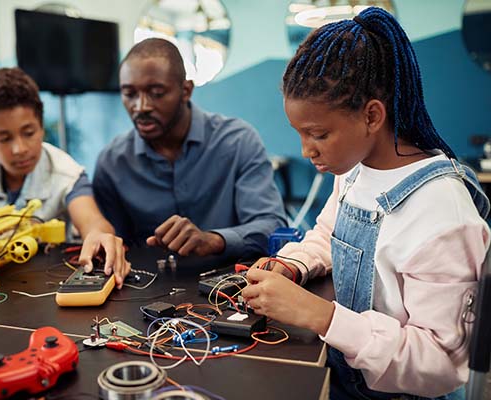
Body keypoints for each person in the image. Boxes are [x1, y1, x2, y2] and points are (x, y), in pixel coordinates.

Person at [241, 7, 490, 400]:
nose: (306, 151)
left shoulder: (443, 212)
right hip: (346, 372)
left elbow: (441, 364)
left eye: (318, 134)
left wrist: (320, 315)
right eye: (300, 134)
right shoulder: (354, 170)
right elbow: (329, 235)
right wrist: (292, 264)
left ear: (372, 116)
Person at [86, 38, 287, 260]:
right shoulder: (112, 162)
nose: (141, 106)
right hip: (145, 289)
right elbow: (112, 244)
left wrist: (214, 240)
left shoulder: (237, 142)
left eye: (156, 92)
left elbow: (273, 226)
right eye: (129, 94)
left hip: (232, 286)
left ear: (186, 90)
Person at [0, 67, 130, 287]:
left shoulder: (66, 173)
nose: (19, 148)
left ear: (41, 127)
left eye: (28, 133)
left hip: (40, 286)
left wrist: (100, 236)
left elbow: (93, 221)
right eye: (4, 138)